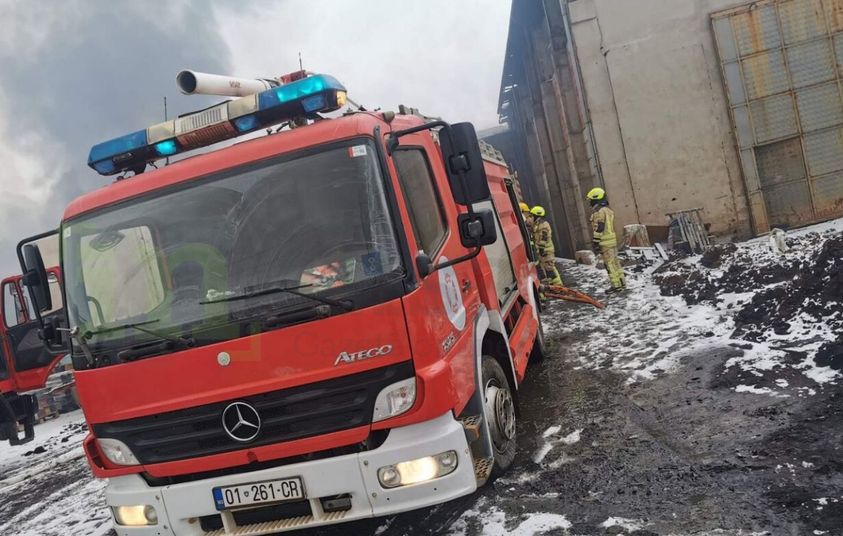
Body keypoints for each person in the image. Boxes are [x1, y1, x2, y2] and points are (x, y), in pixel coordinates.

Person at [587, 187, 626, 292]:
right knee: (615, 262)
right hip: (612, 241)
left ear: (595, 199)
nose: (590, 202)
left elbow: (599, 227)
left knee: (609, 264)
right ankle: (622, 282)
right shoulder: (608, 211)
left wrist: (595, 242)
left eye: (590, 200)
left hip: (605, 242)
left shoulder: (598, 212)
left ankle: (616, 285)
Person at [529, 206, 563, 287]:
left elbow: (544, 237)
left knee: (550, 268)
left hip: (546, 251)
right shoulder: (538, 224)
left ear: (536, 215)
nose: (531, 217)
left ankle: (558, 286)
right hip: (543, 250)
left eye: (532, 215)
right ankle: (553, 285)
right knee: (547, 269)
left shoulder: (544, 224)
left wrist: (541, 249)